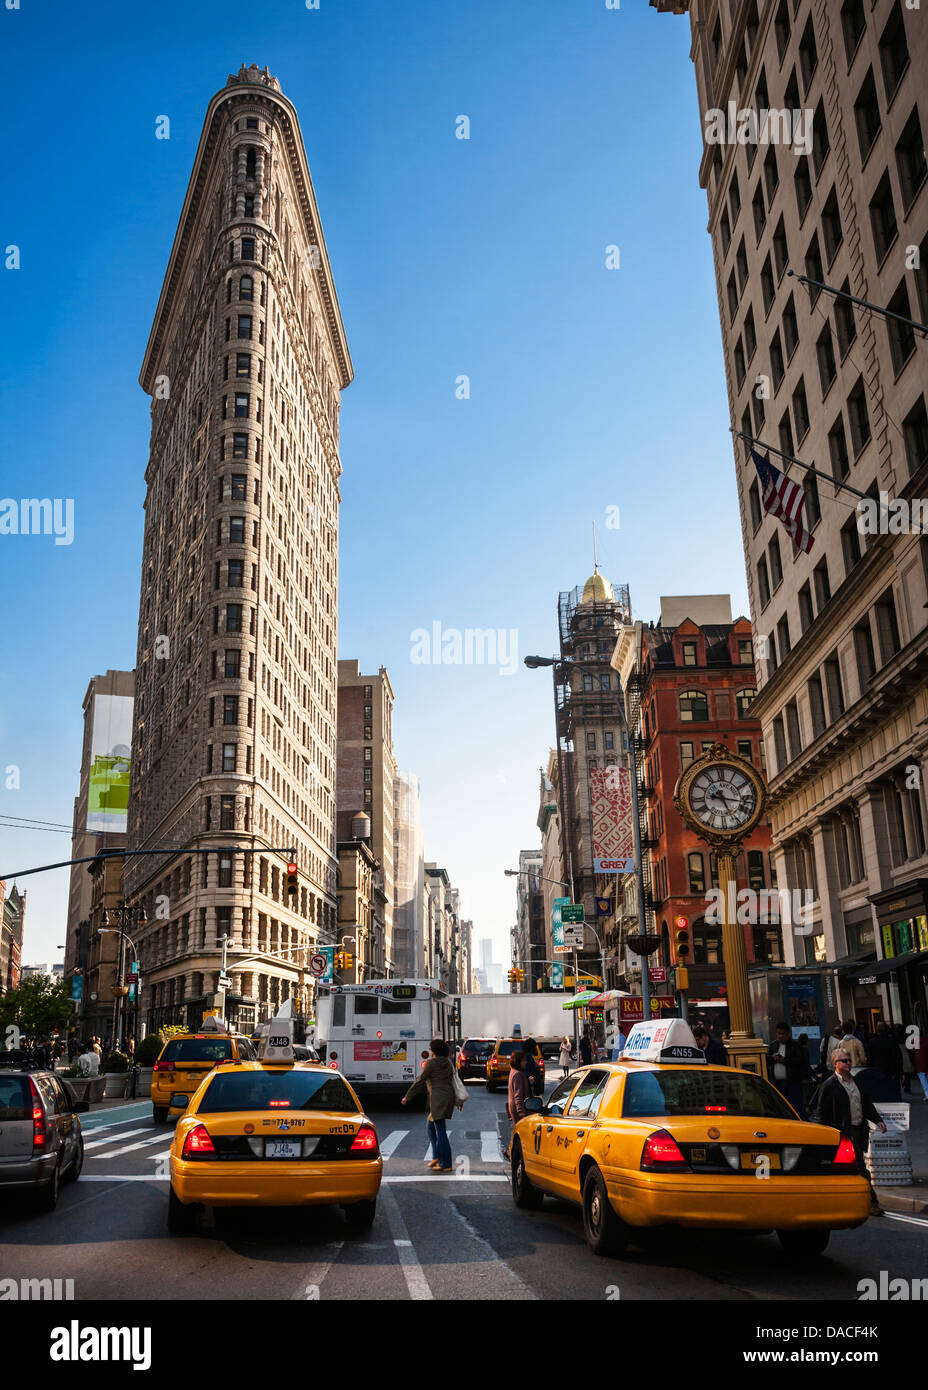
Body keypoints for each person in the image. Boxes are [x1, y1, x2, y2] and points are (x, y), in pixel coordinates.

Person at [819, 1048, 887, 1217]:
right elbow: (822, 1112)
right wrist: (826, 1134)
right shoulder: (830, 1085)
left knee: (850, 1169)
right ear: (836, 1064)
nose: (849, 1063)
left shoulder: (856, 1082)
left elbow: (866, 1104)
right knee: (860, 1168)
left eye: (849, 1060)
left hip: (858, 1129)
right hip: (843, 1133)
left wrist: (878, 1120)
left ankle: (845, 1201)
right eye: (844, 1060)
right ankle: (872, 1203)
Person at [401, 1038, 459, 1173]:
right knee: (431, 1126)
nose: (429, 1051)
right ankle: (437, 1157)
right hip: (447, 1097)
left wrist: (407, 1097)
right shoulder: (448, 1063)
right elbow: (454, 1082)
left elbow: (420, 1081)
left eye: (431, 1048)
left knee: (441, 1131)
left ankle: (446, 1163)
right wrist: (458, 1101)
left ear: (434, 1051)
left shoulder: (431, 1063)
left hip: (438, 1099)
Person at [767, 1021, 808, 1115]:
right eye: (778, 1033)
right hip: (777, 1083)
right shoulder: (773, 1045)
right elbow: (766, 1059)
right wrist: (773, 1057)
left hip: (792, 1083)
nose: (780, 1036)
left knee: (795, 1108)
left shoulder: (795, 1045)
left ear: (788, 1034)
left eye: (783, 1034)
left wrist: (784, 1060)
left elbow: (800, 1061)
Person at [503, 1050, 530, 1161]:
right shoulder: (518, 1074)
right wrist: (522, 1113)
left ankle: (510, 1151)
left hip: (513, 1107)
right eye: (524, 1061)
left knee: (516, 1131)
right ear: (519, 1061)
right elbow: (518, 1096)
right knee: (520, 1133)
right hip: (518, 1108)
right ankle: (511, 1152)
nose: (526, 1062)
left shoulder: (513, 1072)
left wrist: (528, 1082)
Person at [866, 1022, 902, 1099]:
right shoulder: (892, 1041)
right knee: (893, 1091)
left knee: (881, 1092)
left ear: (877, 1030)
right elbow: (898, 1056)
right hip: (892, 1070)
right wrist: (900, 1071)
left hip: (878, 1070)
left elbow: (869, 1059)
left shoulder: (872, 1042)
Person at [913, 1032, 928, 1102]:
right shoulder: (926, 1041)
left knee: (923, 1079)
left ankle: (927, 1094)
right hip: (926, 1062)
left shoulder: (913, 1043)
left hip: (919, 1063)